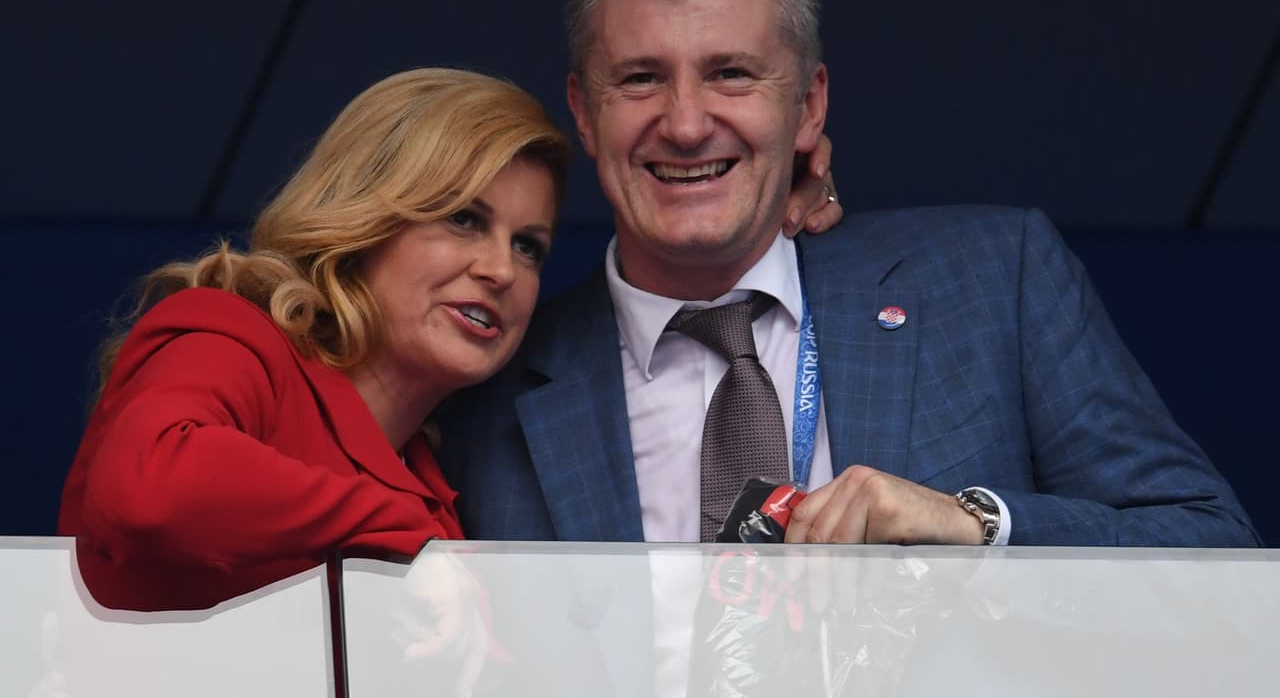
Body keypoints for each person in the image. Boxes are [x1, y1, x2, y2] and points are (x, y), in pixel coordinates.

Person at [436, 0, 1260, 547]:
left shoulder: (993, 278)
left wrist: (980, 526)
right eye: (642, 79)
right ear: (585, 110)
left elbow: (1212, 549)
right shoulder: (485, 392)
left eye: (732, 74)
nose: (686, 124)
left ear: (809, 104)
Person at [57, 66, 840, 612]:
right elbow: (152, 484)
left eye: (528, 245)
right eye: (464, 218)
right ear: (368, 218)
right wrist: (413, 541)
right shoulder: (232, 334)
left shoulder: (440, 483)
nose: (500, 268)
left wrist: (760, 200)